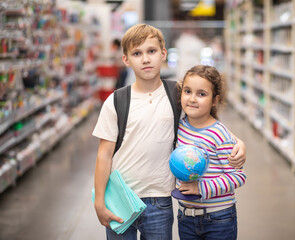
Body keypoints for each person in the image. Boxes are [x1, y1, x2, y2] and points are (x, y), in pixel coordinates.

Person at [92, 24, 246, 239]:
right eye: (137, 53)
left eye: (152, 51)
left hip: (160, 201)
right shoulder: (116, 101)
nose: (146, 59)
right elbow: (104, 154)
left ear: (163, 54)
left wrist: (238, 142)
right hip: (120, 198)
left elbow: (207, 120)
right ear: (126, 59)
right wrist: (99, 201)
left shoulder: (178, 94)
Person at [175, 65, 246, 240]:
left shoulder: (219, 133)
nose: (192, 99)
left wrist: (200, 188)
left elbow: (238, 176)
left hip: (218, 218)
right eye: (187, 91)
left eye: (201, 94)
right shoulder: (179, 126)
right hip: (186, 217)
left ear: (215, 100)